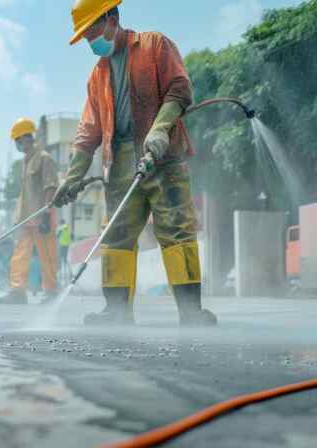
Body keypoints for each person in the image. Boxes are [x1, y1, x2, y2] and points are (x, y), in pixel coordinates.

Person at [55, 0, 217, 326]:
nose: (90, 42)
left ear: (112, 18)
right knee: (116, 234)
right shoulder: (97, 75)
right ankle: (115, 312)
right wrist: (71, 179)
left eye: (92, 32)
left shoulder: (155, 45)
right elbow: (88, 133)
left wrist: (159, 129)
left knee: (177, 229)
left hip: (164, 154)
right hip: (120, 160)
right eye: (85, 37)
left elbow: (180, 89)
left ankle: (190, 312)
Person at [0, 118, 60, 305]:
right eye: (16, 140)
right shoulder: (26, 161)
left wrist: (46, 215)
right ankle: (18, 292)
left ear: (27, 137)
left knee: (47, 256)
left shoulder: (44, 158)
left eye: (18, 139)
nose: (17, 144)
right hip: (26, 218)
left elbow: (51, 187)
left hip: (41, 217)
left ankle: (51, 292)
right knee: (19, 257)